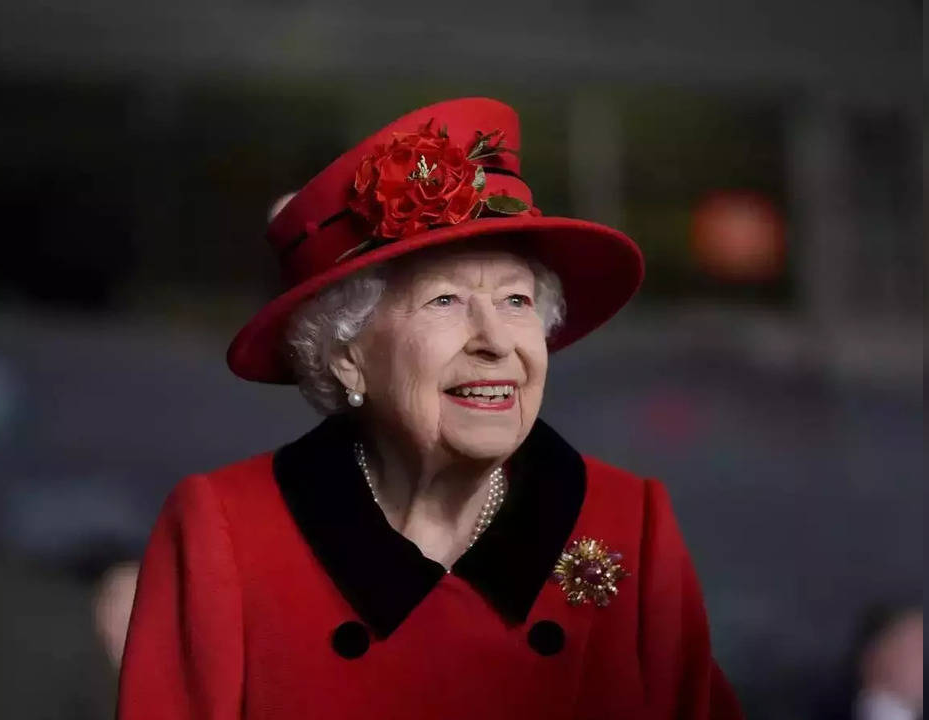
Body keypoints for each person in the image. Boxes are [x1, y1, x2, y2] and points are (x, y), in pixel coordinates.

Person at [118, 97, 742, 719]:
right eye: (444, 301)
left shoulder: (631, 523)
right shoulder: (226, 532)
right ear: (346, 354)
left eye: (517, 301)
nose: (496, 341)